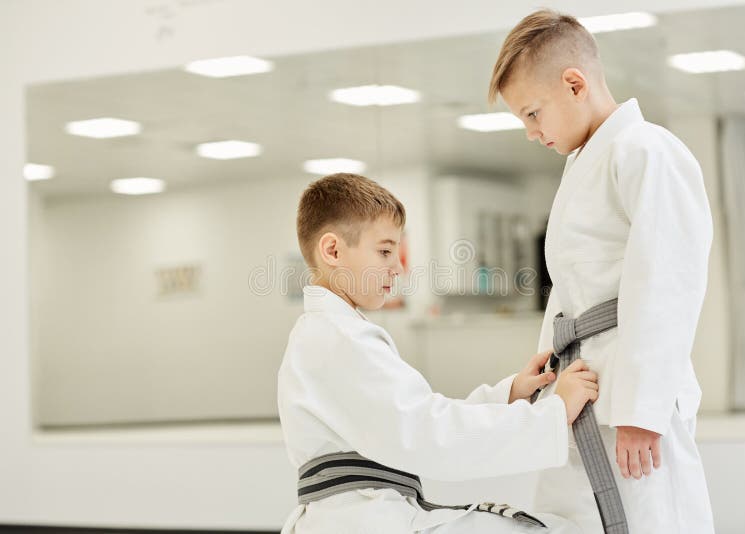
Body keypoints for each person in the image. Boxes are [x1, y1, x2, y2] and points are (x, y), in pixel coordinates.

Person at [488, 9, 716, 534]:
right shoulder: (585, 162)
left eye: (532, 113)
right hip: (582, 386)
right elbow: (571, 291)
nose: (530, 133)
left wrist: (643, 410)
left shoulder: (647, 150)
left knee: (652, 519)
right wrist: (546, 369)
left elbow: (667, 283)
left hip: (629, 403)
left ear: (574, 84)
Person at [278, 172, 598, 533]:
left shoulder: (334, 334)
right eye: (384, 251)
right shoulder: (335, 339)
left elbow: (420, 419)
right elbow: (429, 433)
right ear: (333, 250)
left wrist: (508, 396)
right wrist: (552, 416)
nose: (398, 268)